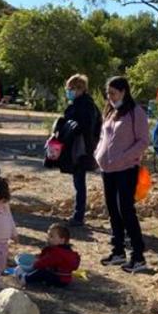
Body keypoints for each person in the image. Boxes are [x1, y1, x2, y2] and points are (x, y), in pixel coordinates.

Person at [95, 76, 151, 274]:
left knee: (126, 210)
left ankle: (138, 255)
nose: (109, 96)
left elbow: (143, 141)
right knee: (113, 210)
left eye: (113, 93)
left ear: (124, 92)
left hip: (126, 169)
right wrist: (98, 154)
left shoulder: (136, 113)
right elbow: (104, 136)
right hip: (107, 170)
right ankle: (118, 250)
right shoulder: (110, 111)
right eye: (108, 93)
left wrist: (124, 157)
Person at [58, 74, 101, 227]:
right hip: (78, 147)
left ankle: (79, 215)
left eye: (71, 88)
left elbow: (85, 127)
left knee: (79, 182)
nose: (68, 91)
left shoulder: (85, 105)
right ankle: (78, 214)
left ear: (80, 89)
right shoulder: (82, 104)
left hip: (80, 149)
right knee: (78, 181)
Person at [20, 223, 81, 287]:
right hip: (66, 280)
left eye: (51, 236)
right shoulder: (67, 251)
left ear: (62, 240)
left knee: (42, 272)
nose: (48, 238)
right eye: (48, 236)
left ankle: (25, 279)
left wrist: (34, 265)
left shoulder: (57, 252)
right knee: (44, 271)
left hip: (58, 279)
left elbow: (44, 262)